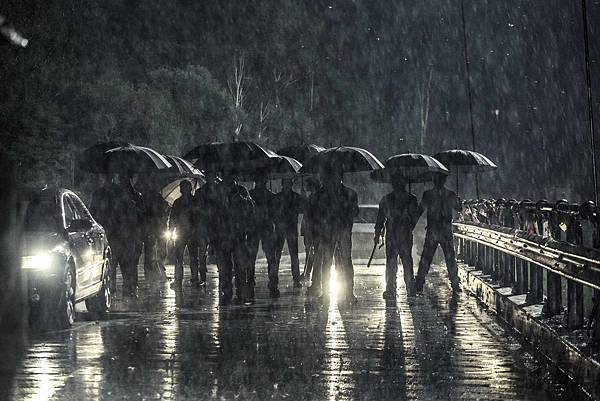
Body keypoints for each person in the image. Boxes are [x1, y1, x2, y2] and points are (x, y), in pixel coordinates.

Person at [307, 170, 359, 304]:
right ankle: (330, 293)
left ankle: (347, 292)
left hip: (338, 231)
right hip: (329, 231)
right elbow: (312, 216)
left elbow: (354, 211)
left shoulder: (346, 194)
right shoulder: (322, 195)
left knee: (340, 261)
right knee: (329, 261)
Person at [374, 175, 420, 300]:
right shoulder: (411, 199)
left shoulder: (387, 199)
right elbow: (415, 217)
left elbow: (380, 219)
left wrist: (377, 233)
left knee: (393, 263)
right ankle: (409, 287)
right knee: (405, 262)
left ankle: (392, 289)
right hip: (401, 234)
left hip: (395, 235)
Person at [415, 173, 462, 294]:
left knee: (427, 257)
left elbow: (420, 210)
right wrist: (458, 200)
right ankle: (454, 283)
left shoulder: (429, 194)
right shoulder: (449, 194)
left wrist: (412, 222)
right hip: (444, 230)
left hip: (434, 230)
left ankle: (419, 282)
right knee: (449, 258)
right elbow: (459, 208)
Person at [221, 174, 255, 304]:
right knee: (226, 265)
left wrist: (241, 200)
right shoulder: (221, 192)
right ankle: (227, 290)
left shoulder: (242, 191)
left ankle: (240, 290)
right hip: (226, 234)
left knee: (240, 265)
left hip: (239, 234)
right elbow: (218, 213)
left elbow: (251, 207)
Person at [248, 175, 280, 298]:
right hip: (265, 228)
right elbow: (275, 214)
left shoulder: (251, 195)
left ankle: (251, 280)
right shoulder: (271, 196)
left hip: (256, 228)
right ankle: (272, 282)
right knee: (270, 258)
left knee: (253, 257)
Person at [275, 178, 307, 288]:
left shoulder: (278, 197)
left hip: (285, 227)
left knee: (282, 254)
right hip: (288, 227)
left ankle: (276, 277)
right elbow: (303, 209)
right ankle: (295, 279)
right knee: (291, 254)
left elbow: (303, 208)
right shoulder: (295, 197)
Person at [139, 175, 169, 283]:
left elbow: (163, 214)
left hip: (158, 228)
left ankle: (157, 267)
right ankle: (150, 271)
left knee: (159, 250)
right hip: (151, 228)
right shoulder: (145, 198)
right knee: (150, 250)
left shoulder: (158, 198)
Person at [169, 180, 198, 291]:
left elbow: (172, 220)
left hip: (189, 233)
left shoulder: (185, 202)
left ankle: (185, 279)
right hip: (184, 233)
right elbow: (173, 219)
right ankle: (185, 279)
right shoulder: (181, 202)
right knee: (184, 258)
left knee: (187, 258)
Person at [300, 177, 321, 282]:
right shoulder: (313, 197)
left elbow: (309, 212)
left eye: (307, 184)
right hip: (310, 228)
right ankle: (307, 272)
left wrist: (304, 199)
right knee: (310, 251)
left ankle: (310, 274)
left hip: (313, 228)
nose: (305, 186)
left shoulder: (315, 197)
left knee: (313, 251)